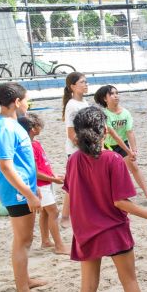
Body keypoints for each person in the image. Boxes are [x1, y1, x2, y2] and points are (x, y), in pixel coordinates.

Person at [65, 107, 147, 292]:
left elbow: (69, 192)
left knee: (87, 287)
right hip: (113, 229)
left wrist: (65, 217)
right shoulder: (112, 160)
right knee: (129, 280)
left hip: (86, 230)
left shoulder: (73, 160)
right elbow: (120, 202)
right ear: (103, 132)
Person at [0, 82, 47, 292]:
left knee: (26, 238)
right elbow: (6, 166)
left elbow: (22, 162)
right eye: (26, 100)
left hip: (24, 189)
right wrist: (28, 194)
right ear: (16, 102)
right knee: (22, 241)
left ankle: (25, 280)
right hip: (16, 192)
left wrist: (34, 188)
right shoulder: (4, 127)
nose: (28, 103)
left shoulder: (12, 124)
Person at [18, 113, 69, 256]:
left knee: (46, 213)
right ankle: (59, 246)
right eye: (38, 125)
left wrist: (53, 176)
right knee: (54, 212)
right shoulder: (28, 146)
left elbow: (42, 166)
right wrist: (53, 180)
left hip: (46, 182)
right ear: (33, 128)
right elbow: (34, 172)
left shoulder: (35, 143)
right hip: (41, 184)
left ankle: (46, 240)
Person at [94, 85, 147, 202]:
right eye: (111, 94)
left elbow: (130, 132)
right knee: (111, 173)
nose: (116, 95)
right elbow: (114, 135)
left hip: (123, 144)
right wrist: (129, 152)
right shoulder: (104, 114)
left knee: (134, 168)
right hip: (108, 146)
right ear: (105, 99)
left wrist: (134, 150)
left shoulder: (126, 112)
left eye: (117, 93)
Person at [60, 72, 90, 227]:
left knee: (84, 184)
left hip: (85, 148)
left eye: (86, 82)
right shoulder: (72, 105)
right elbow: (71, 133)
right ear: (72, 86)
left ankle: (82, 213)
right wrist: (87, 147)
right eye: (82, 82)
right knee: (72, 185)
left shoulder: (85, 102)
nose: (85, 84)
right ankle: (65, 216)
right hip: (76, 150)